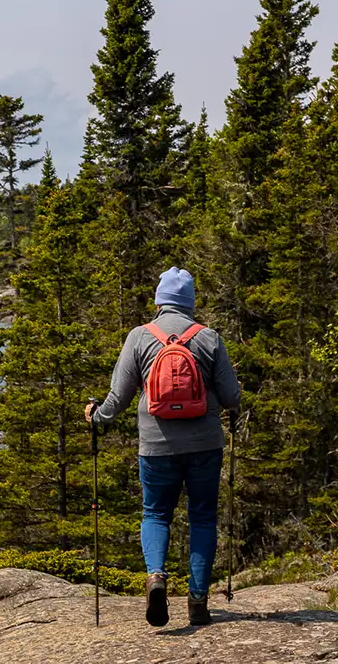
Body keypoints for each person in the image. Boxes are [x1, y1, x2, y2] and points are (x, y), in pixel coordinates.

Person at [85, 266, 240, 627]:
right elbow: (231, 397)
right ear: (190, 302)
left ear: (159, 302)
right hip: (205, 444)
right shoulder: (209, 337)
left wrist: (97, 416)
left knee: (155, 513)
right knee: (202, 516)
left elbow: (118, 399)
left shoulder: (140, 337)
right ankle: (198, 599)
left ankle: (156, 577)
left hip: (155, 445)